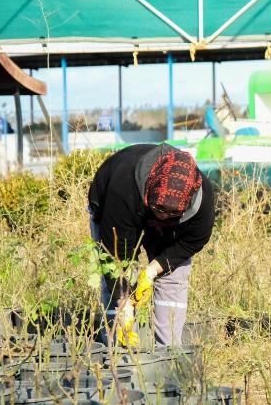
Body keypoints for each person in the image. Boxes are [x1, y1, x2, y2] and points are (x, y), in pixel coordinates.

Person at [88, 143, 215, 347]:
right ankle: (119, 352)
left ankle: (169, 353)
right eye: (158, 209)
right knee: (115, 281)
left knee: (173, 278)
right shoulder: (123, 190)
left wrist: (152, 270)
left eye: (171, 214)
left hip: (165, 218)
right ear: (150, 190)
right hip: (116, 209)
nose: (163, 216)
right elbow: (115, 256)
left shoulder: (202, 203)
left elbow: (192, 242)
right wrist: (124, 302)